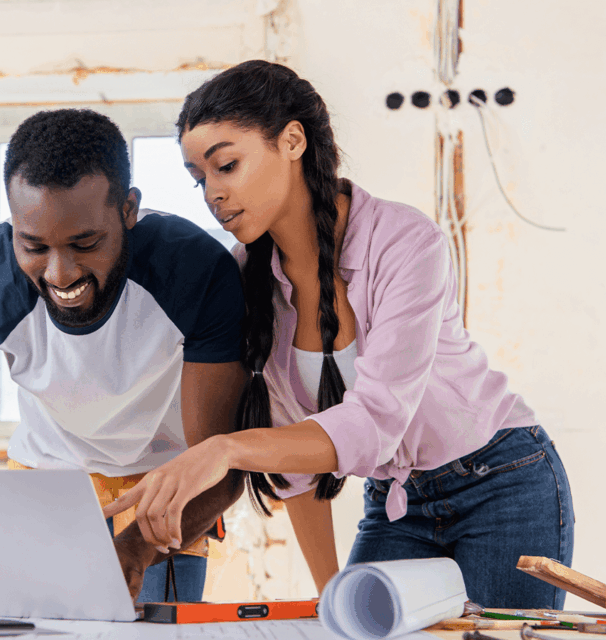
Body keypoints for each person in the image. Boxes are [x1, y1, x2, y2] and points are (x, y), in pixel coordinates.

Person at [104, 60, 574, 609]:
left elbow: (376, 419)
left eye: (226, 165)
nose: (212, 193)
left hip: (502, 481)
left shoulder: (405, 242)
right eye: (199, 178)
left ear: (293, 141)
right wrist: (332, 601)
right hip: (397, 502)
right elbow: (299, 464)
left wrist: (226, 449)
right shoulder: (243, 278)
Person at [0, 108, 247, 602]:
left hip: (168, 485)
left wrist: (135, 548)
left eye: (85, 243)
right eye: (33, 245)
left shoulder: (194, 270)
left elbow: (222, 463)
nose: (60, 274)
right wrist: (11, 537)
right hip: (43, 485)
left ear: (128, 210)